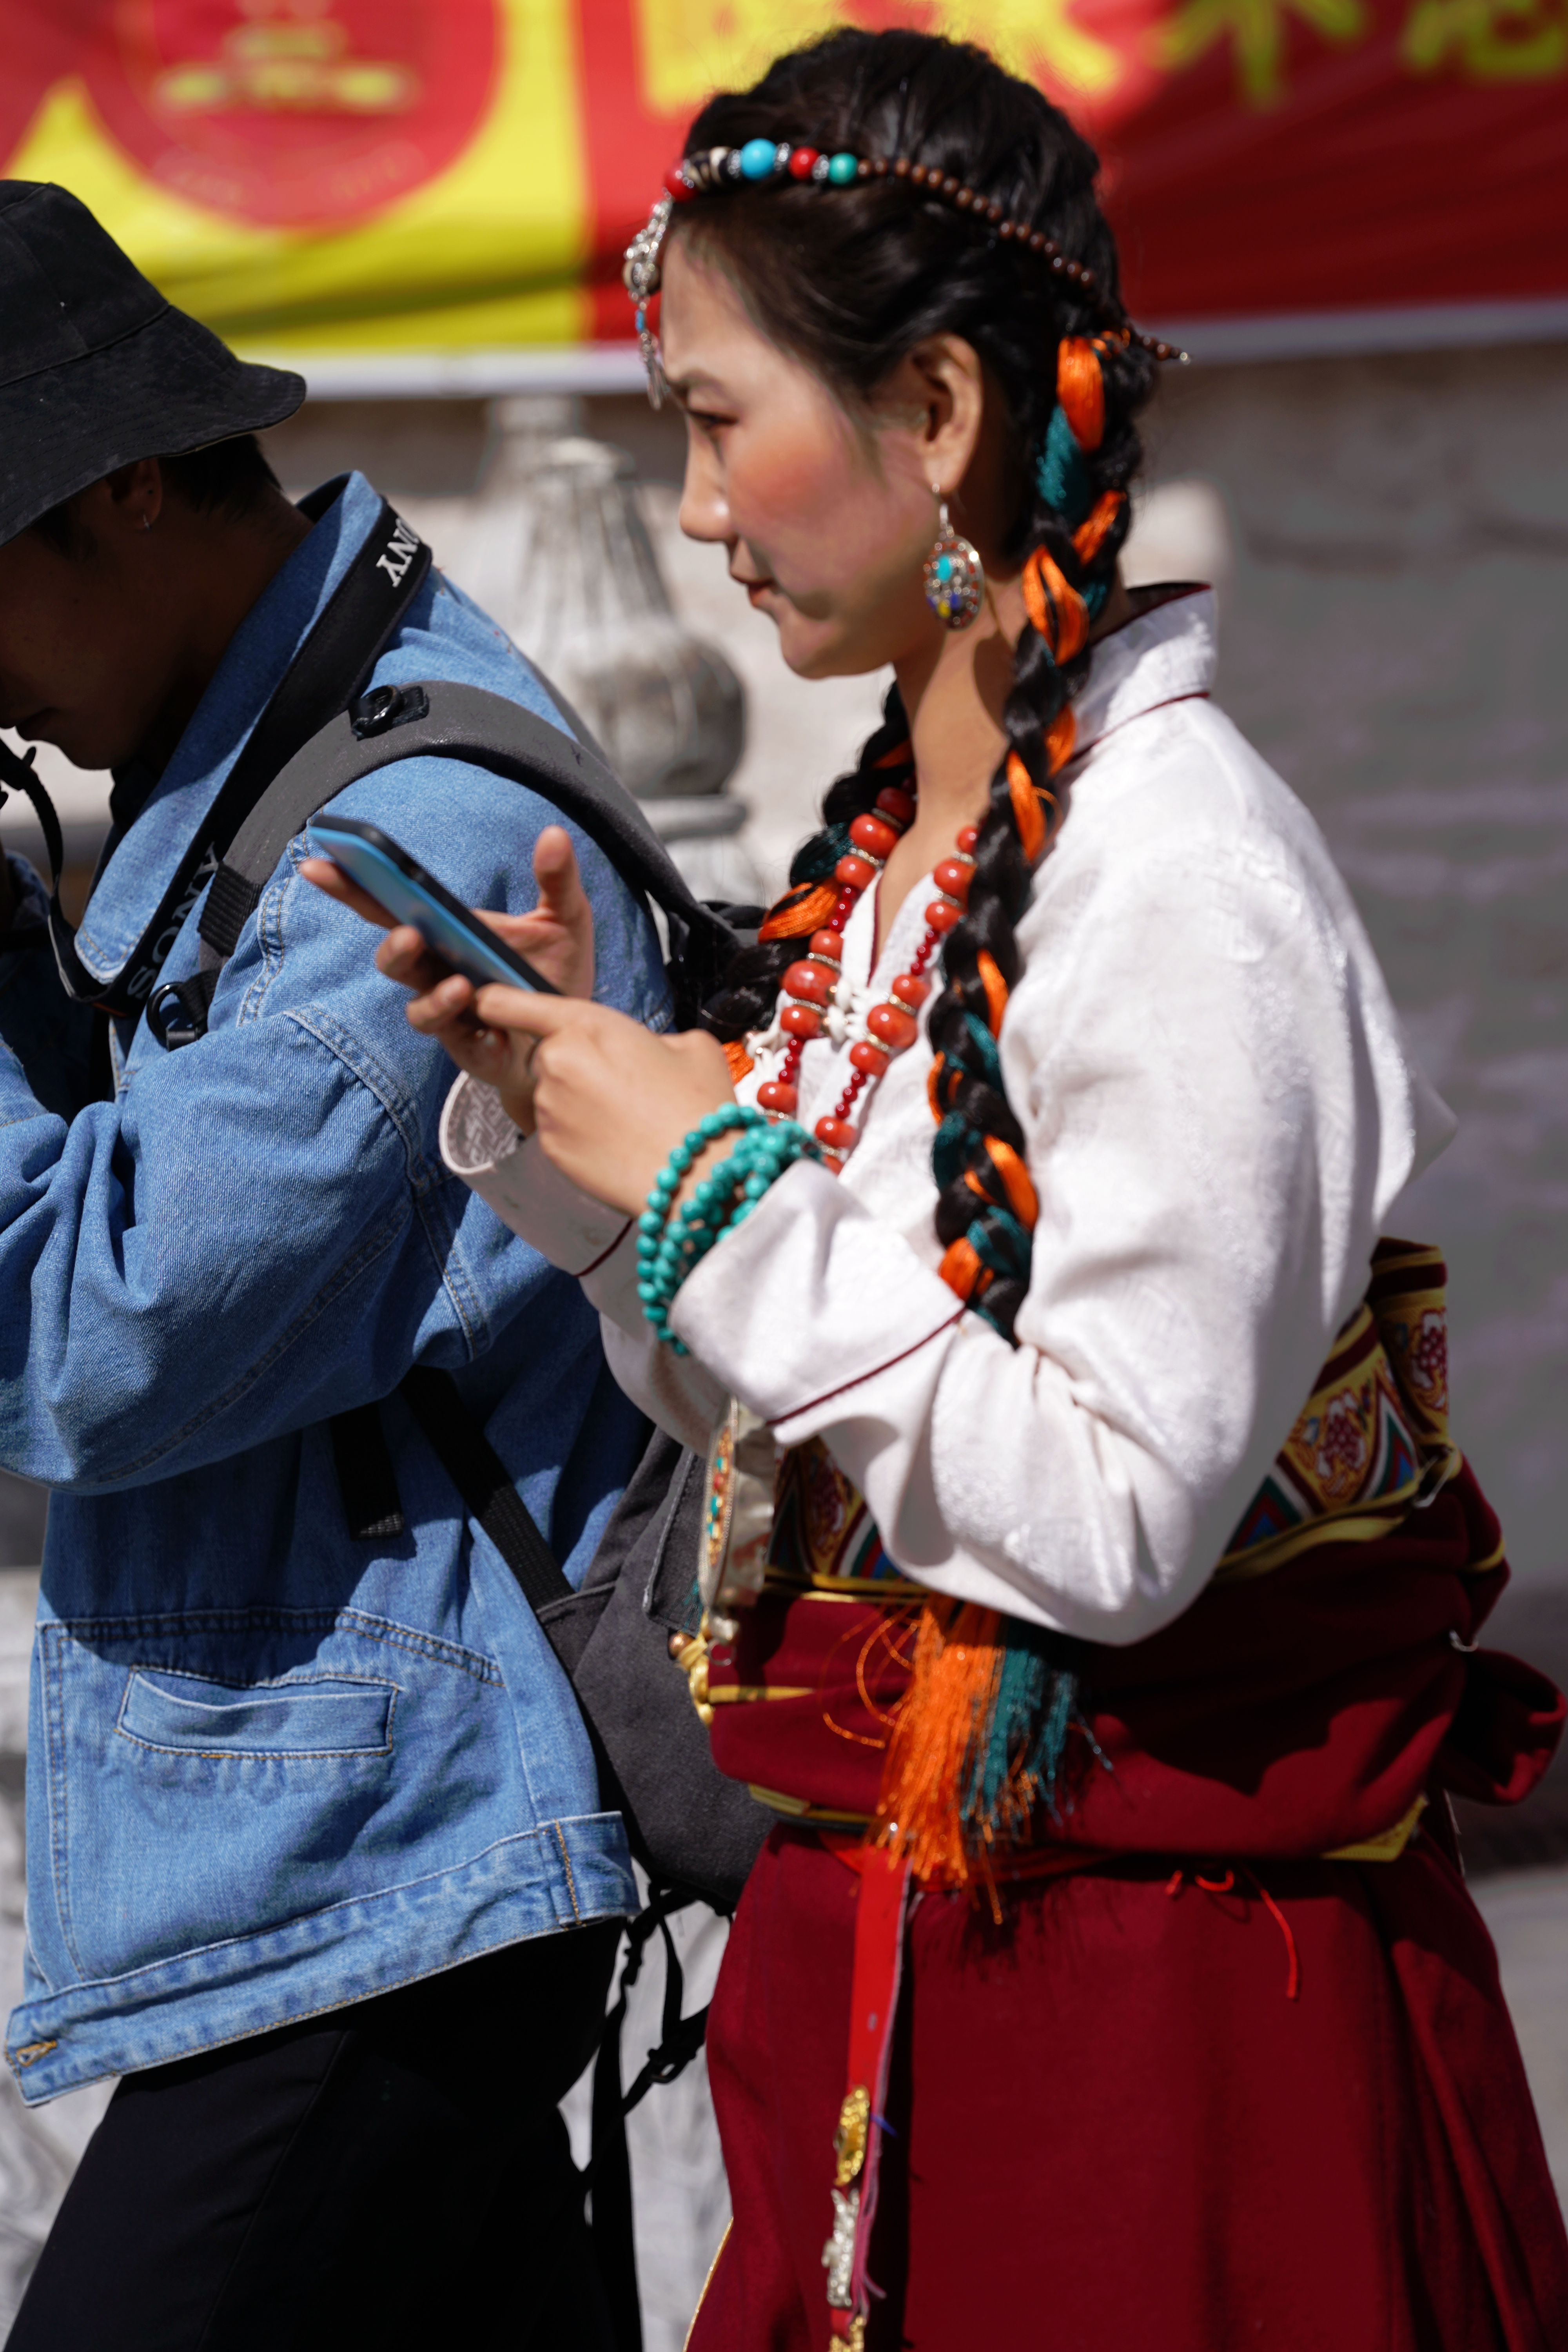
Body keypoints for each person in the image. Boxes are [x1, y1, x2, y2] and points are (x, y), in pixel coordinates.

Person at [314, 30, 1568, 2350]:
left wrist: (720, 1184)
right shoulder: (910, 861)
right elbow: (816, 1427)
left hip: (1162, 2038)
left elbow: (1110, 1519)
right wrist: (613, 1188)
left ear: (943, 427)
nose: (694, 506)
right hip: (907, 1987)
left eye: (713, 418)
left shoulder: (1182, 881)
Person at [0, 180, 667, 2350]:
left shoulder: (410, 836)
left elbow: (79, 1336)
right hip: (349, 1839)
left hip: (400, 1859)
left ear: (118, 490)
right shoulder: (281, 782)